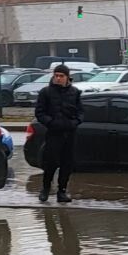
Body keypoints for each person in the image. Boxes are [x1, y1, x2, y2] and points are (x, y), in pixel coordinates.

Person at [34, 63, 83, 203]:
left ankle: (62, 191)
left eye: (61, 76)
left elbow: (81, 112)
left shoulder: (75, 92)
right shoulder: (46, 92)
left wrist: (75, 122)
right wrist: (50, 122)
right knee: (51, 162)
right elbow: (39, 112)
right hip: (54, 133)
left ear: (67, 77)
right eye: (56, 75)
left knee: (67, 163)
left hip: (70, 133)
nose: (58, 78)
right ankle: (45, 189)